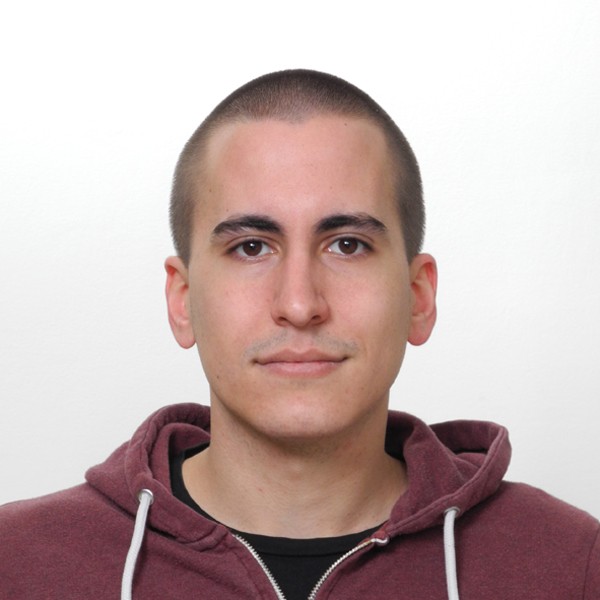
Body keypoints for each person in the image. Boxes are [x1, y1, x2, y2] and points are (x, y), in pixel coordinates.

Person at [0, 69, 598, 600]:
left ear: (419, 297)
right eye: (250, 247)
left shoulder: (573, 565)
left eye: (348, 245)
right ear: (182, 301)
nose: (299, 304)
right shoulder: (16, 563)